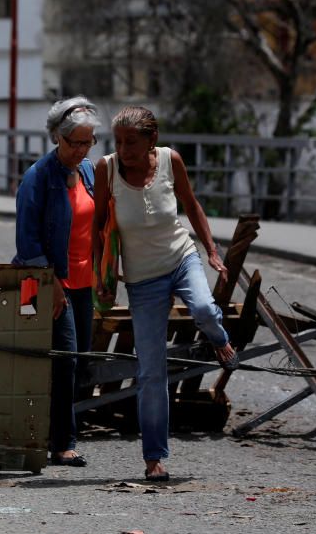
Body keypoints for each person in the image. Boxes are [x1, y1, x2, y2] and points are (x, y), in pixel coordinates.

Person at [93, 106, 237, 482]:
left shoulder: (171, 161)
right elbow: (98, 228)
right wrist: (101, 275)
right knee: (151, 371)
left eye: (131, 142)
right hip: (142, 281)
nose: (123, 149)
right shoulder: (105, 169)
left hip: (181, 258)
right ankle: (154, 457)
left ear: (151, 140)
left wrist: (210, 250)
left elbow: (191, 205)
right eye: (118, 141)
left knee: (205, 309)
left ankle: (220, 339)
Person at [13, 96, 101, 468]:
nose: (81, 150)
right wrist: (53, 286)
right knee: (60, 359)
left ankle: (50, 432)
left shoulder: (88, 173)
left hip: (82, 282)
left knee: (78, 360)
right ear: (57, 139)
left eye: (88, 142)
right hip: (42, 282)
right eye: (74, 143)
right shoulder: (38, 178)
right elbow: (28, 241)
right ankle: (61, 442)